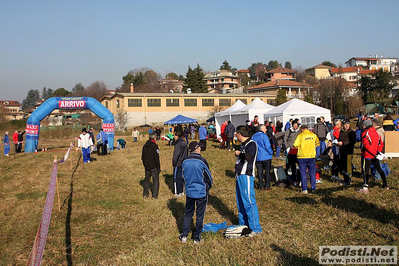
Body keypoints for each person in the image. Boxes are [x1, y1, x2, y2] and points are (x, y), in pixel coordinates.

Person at [179, 141, 212, 244]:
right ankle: (196, 237)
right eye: (200, 148)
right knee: (200, 215)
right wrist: (207, 187)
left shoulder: (184, 161)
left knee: (188, 213)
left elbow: (182, 176)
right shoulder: (202, 161)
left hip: (189, 191)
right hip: (201, 191)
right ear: (197, 149)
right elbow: (208, 177)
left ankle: (184, 235)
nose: (201, 149)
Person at [234, 125, 262, 235]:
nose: (235, 136)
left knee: (249, 202)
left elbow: (249, 156)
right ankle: (243, 224)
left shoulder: (252, 143)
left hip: (246, 175)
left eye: (236, 134)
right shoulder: (243, 144)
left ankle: (255, 228)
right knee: (240, 202)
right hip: (239, 175)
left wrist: (239, 154)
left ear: (240, 134)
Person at [359, 120, 389, 192]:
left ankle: (365, 185)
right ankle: (385, 184)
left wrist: (373, 153)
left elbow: (366, 146)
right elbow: (381, 143)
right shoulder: (376, 133)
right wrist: (377, 152)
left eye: (363, 125)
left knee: (366, 170)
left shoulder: (365, 133)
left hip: (368, 155)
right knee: (379, 169)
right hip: (375, 155)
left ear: (365, 126)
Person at [293, 125, 319, 194]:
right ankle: (313, 188)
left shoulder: (300, 136)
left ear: (302, 129)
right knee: (312, 173)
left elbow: (295, 144)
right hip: (311, 156)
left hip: (302, 156)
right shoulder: (313, 135)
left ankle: (305, 189)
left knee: (303, 173)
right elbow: (317, 143)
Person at [252, 125, 273, 190]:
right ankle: (267, 185)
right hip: (266, 156)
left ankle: (260, 186)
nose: (266, 129)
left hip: (258, 156)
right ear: (261, 129)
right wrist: (271, 152)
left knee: (259, 172)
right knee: (267, 172)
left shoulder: (254, 136)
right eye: (265, 128)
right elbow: (267, 146)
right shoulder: (264, 136)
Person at [337, 120, 356, 187]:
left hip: (348, 152)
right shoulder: (341, 132)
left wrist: (343, 143)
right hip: (342, 151)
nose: (346, 125)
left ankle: (348, 181)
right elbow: (339, 139)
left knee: (348, 167)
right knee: (343, 167)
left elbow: (352, 142)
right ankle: (345, 179)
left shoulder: (352, 133)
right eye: (345, 124)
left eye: (348, 124)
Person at [141, 132, 161, 198]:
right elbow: (156, 158)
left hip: (147, 166)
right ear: (154, 138)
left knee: (146, 180)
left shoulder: (144, 146)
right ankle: (154, 196)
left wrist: (145, 165)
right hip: (153, 167)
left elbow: (142, 157)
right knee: (155, 181)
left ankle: (145, 194)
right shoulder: (154, 146)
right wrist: (158, 167)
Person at [284, 121, 300, 185]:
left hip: (297, 149)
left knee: (299, 164)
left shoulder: (299, 131)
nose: (295, 126)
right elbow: (285, 139)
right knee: (290, 164)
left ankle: (298, 179)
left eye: (296, 125)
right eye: (294, 125)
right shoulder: (289, 131)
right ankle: (291, 177)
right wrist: (287, 147)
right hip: (290, 149)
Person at [172, 130, 188, 196]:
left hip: (178, 163)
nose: (174, 137)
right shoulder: (184, 142)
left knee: (177, 177)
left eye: (174, 135)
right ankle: (182, 191)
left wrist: (174, 162)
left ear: (177, 135)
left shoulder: (178, 143)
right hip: (184, 161)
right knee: (183, 177)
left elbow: (176, 154)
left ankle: (178, 192)